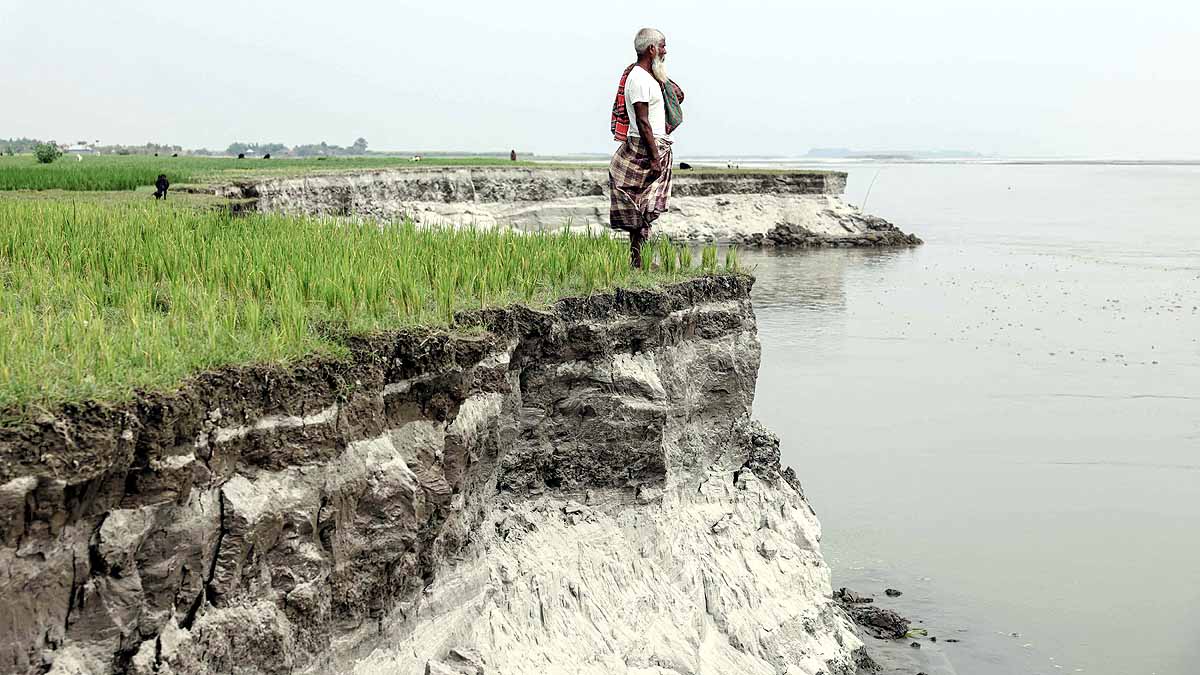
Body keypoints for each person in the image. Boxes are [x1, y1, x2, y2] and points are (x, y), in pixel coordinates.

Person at [609, 27, 684, 268]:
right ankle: (638, 261)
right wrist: (654, 159)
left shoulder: (648, 76)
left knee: (643, 208)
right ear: (651, 49)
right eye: (662, 45)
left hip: (653, 146)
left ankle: (638, 262)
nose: (665, 50)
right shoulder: (640, 79)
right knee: (642, 208)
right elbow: (642, 122)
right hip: (646, 148)